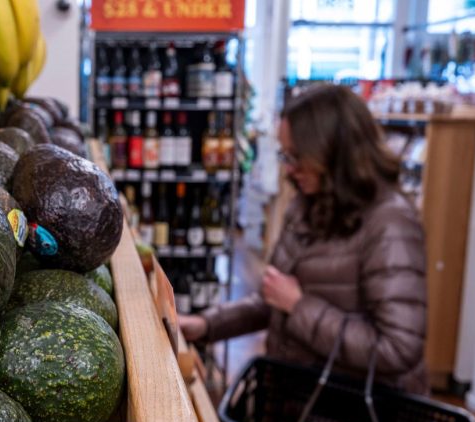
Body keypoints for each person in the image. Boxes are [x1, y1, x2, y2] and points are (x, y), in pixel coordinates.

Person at [179, 84, 428, 394]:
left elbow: (398, 348)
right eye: (285, 155)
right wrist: (207, 325)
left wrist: (299, 305)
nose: (288, 170)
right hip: (298, 400)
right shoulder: (307, 205)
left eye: (297, 157)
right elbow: (275, 298)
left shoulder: (390, 223)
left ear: (333, 153)